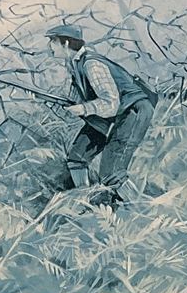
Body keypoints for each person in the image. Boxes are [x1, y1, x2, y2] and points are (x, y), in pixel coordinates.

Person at [47, 23, 157, 203]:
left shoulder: (92, 64)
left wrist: (83, 109)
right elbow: (77, 102)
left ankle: (142, 208)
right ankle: (86, 201)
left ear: (66, 43)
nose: (49, 45)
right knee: (77, 158)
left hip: (132, 112)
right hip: (108, 118)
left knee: (111, 173)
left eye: (53, 40)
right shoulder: (74, 65)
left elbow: (111, 103)